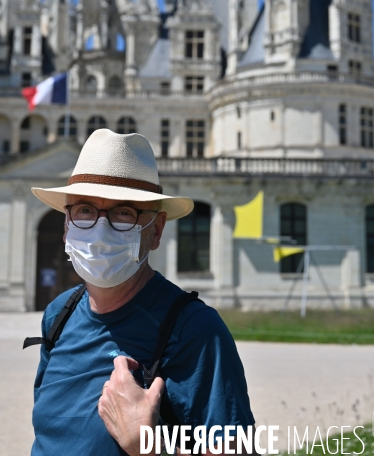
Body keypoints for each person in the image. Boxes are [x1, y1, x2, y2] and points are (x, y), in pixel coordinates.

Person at [29, 129, 254, 455]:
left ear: (156, 230)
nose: (100, 232)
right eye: (85, 210)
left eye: (123, 213)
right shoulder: (59, 314)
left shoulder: (194, 330)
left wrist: (150, 446)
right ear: (66, 225)